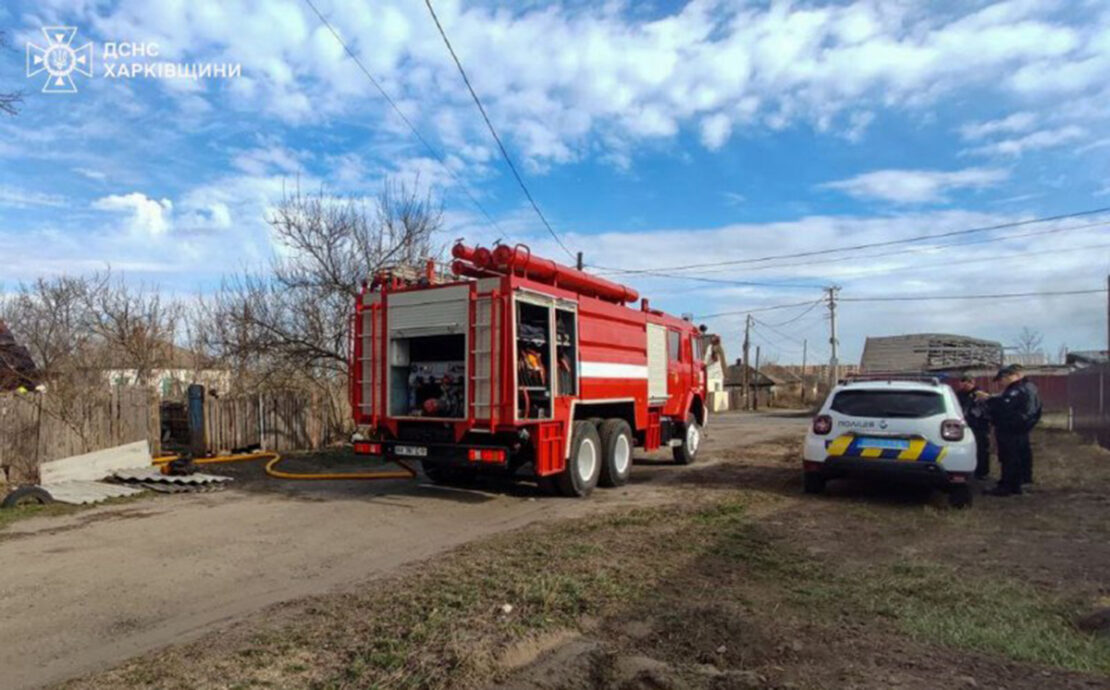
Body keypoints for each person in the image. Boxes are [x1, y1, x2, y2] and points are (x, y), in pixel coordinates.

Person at [984, 364, 1039, 497]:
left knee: (1010, 457)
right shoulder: (1026, 388)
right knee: (1012, 457)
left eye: (1002, 379)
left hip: (1011, 429)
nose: (1001, 383)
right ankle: (1012, 484)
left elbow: (1005, 408)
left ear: (1010, 376)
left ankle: (1008, 486)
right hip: (1016, 429)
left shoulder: (1017, 390)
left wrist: (990, 401)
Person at [954, 372, 991, 479]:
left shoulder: (980, 394)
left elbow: (985, 410)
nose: (965, 384)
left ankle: (982, 472)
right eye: (963, 382)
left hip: (979, 426)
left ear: (973, 383)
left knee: (981, 449)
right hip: (963, 426)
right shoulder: (958, 394)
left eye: (968, 382)